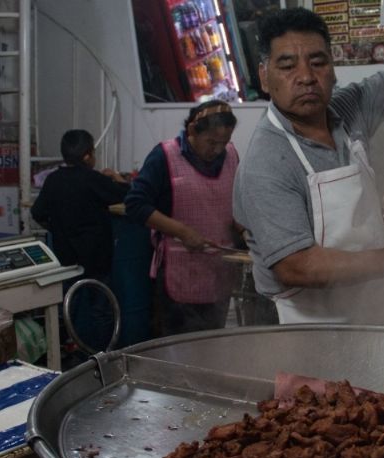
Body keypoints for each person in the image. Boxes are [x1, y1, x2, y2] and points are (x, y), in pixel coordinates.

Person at [232, 8, 384, 325]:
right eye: (288, 66)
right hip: (303, 325)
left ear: (333, 70)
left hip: (370, 311)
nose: (306, 76)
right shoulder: (266, 160)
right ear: (265, 77)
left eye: (318, 62)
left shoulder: (348, 110)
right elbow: (297, 266)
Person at [125, 100, 242, 336]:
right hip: (178, 274)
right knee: (178, 346)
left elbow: (237, 200)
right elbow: (135, 205)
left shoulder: (231, 156)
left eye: (224, 142)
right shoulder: (164, 156)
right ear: (191, 131)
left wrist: (243, 228)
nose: (218, 149)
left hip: (219, 271)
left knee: (213, 341)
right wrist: (182, 232)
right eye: (211, 142)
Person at [31, 129, 129, 352]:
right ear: (87, 156)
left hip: (66, 259)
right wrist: (119, 179)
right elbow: (127, 195)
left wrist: (56, 227)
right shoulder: (93, 179)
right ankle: (103, 355)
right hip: (97, 259)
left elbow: (37, 212)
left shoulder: (53, 180)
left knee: (69, 307)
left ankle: (70, 349)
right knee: (101, 310)